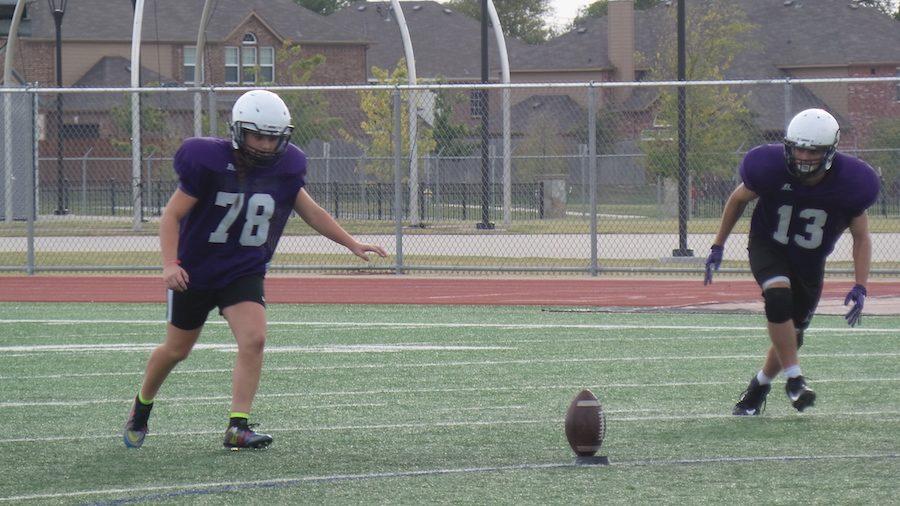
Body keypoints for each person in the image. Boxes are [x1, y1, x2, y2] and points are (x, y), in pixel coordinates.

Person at [123, 89, 387, 449]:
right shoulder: (208, 161)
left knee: (254, 338)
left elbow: (311, 212)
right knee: (176, 350)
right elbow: (172, 215)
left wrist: (351, 242)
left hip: (242, 270)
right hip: (195, 272)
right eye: (258, 136)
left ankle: (238, 426)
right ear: (238, 131)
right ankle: (142, 406)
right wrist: (170, 263)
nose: (265, 145)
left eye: (272, 138)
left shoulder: (287, 166)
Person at [704, 108, 879, 416]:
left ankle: (759, 387)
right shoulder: (769, 168)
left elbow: (861, 236)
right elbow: (738, 199)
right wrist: (718, 244)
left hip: (809, 262)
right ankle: (795, 379)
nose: (802, 155)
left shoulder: (852, 183)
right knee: (777, 297)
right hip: (767, 244)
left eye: (812, 150)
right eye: (797, 147)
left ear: (829, 152)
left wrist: (861, 284)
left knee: (793, 335)